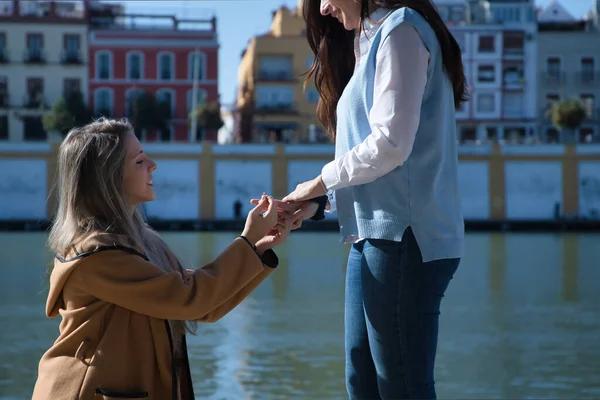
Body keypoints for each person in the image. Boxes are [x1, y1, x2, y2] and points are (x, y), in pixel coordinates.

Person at [279, 0, 468, 398]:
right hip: (373, 236)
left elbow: (391, 146)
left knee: (399, 386)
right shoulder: (371, 41)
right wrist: (317, 204)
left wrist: (318, 182)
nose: (326, 9)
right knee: (362, 383)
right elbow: (382, 168)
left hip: (405, 238)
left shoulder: (401, 29)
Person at [32, 118, 290, 400]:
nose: (153, 165)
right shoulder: (97, 255)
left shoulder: (144, 241)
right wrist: (247, 241)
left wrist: (257, 248)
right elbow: (188, 298)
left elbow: (203, 306)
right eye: (140, 160)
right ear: (109, 176)